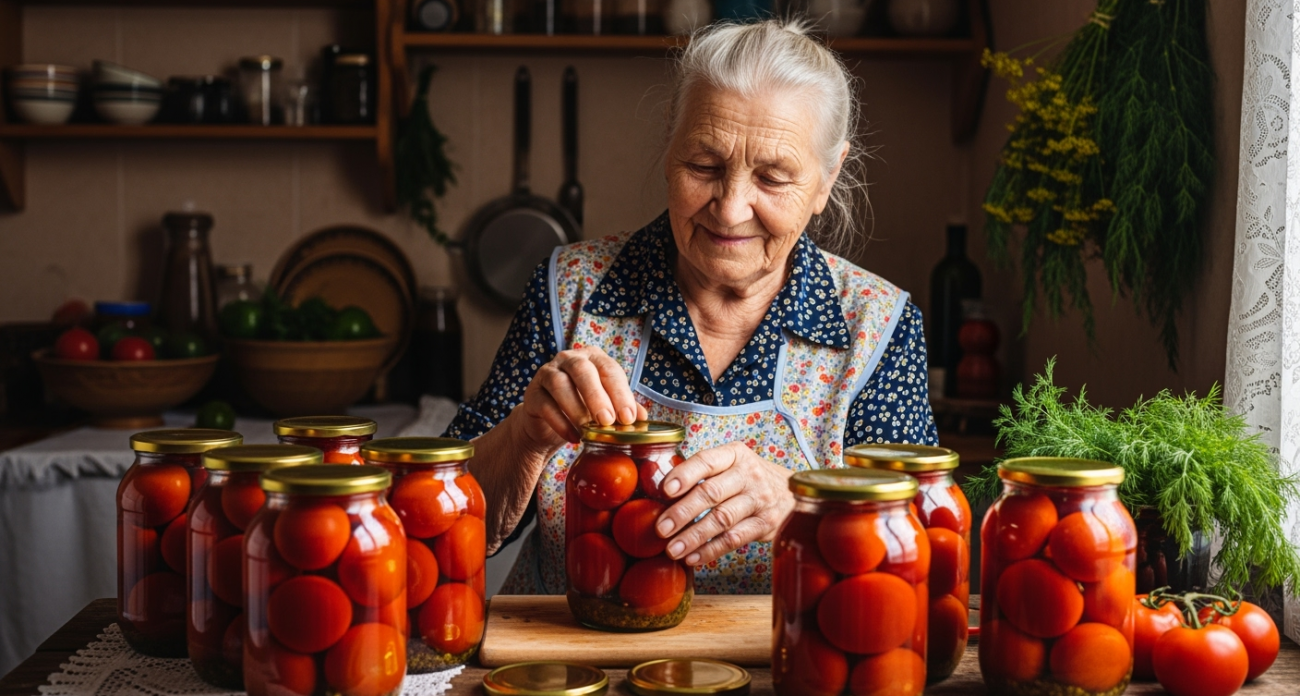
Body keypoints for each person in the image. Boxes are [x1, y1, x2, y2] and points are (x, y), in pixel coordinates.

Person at [445, 18, 939, 594]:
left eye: (774, 177)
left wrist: (810, 507)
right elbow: (438, 526)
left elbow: (923, 553)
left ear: (827, 179)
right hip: (573, 662)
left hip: (788, 666)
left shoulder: (878, 325)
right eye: (703, 166)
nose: (730, 209)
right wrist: (522, 439)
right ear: (670, 148)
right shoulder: (568, 291)